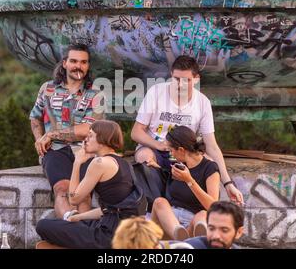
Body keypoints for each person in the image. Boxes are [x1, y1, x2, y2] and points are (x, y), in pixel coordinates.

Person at [131, 55, 243, 204]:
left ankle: (203, 212)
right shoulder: (156, 92)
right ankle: (152, 207)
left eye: (187, 80)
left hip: (184, 154)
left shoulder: (202, 102)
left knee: (209, 163)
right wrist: (158, 145)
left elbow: (211, 146)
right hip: (155, 148)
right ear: (171, 75)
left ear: (196, 79)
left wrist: (228, 183)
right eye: (177, 79)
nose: (181, 85)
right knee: (144, 156)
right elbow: (136, 132)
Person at [36, 120, 147, 249]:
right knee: (74, 223)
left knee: (43, 225)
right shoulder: (123, 163)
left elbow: (73, 199)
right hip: (123, 230)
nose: (85, 140)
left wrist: (77, 163)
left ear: (102, 139)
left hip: (110, 235)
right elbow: (110, 210)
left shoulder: (99, 163)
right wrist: (77, 218)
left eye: (90, 136)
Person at [29, 43, 104, 219]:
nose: (79, 66)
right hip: (55, 150)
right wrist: (39, 139)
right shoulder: (47, 89)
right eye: (74, 61)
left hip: (85, 151)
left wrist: (51, 134)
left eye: (84, 62)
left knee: (83, 194)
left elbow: (87, 129)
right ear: (65, 63)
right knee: (62, 189)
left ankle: (83, 235)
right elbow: (35, 117)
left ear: (88, 66)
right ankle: (70, 227)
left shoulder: (95, 94)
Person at [151, 125, 220, 240]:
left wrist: (189, 180)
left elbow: (213, 207)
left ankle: (186, 240)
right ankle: (179, 235)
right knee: (159, 202)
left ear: (181, 150)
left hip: (192, 223)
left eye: (171, 150)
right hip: (171, 222)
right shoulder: (178, 165)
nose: (170, 154)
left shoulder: (210, 168)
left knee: (203, 215)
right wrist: (157, 167)